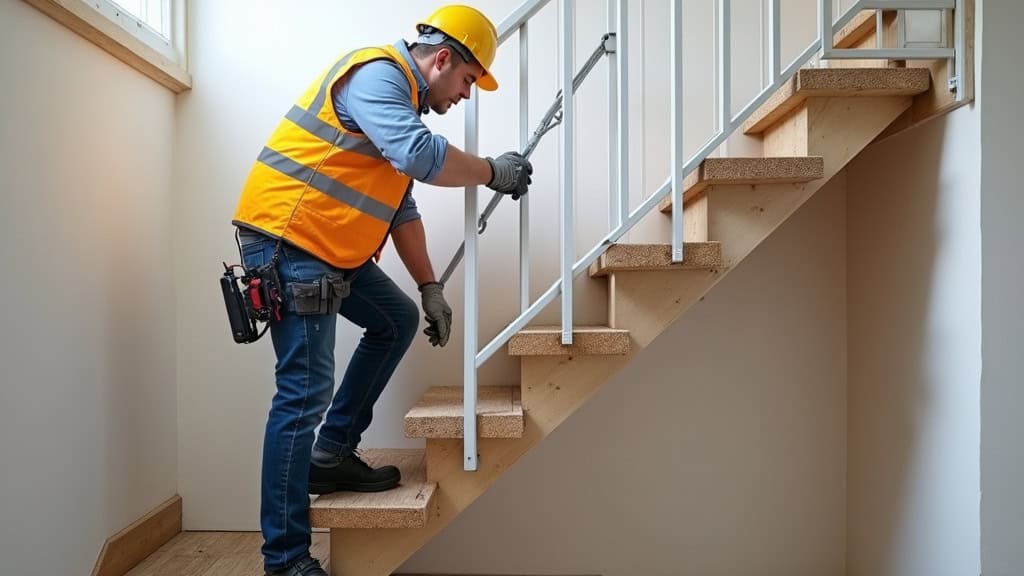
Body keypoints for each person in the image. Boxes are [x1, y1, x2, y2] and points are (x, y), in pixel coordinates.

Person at [231, 5, 533, 576]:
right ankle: (287, 560)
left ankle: (332, 454)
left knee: (392, 320)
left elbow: (401, 209)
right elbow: (419, 158)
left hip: (328, 247)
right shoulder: (377, 75)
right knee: (301, 396)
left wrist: (428, 288)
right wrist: (493, 170)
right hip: (290, 241)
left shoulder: (402, 107)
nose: (467, 95)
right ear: (442, 58)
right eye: (469, 80)